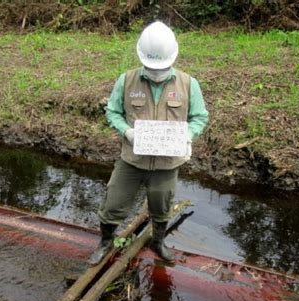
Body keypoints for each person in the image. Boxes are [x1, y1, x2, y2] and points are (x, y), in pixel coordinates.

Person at [88, 21, 209, 265]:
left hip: (167, 163)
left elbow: (199, 117)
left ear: (173, 57)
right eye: (151, 67)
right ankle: (106, 241)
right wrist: (126, 132)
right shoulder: (126, 80)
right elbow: (112, 112)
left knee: (161, 205)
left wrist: (188, 134)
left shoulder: (188, 84)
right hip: (131, 159)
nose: (156, 72)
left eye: (161, 67)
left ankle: (158, 241)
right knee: (113, 202)